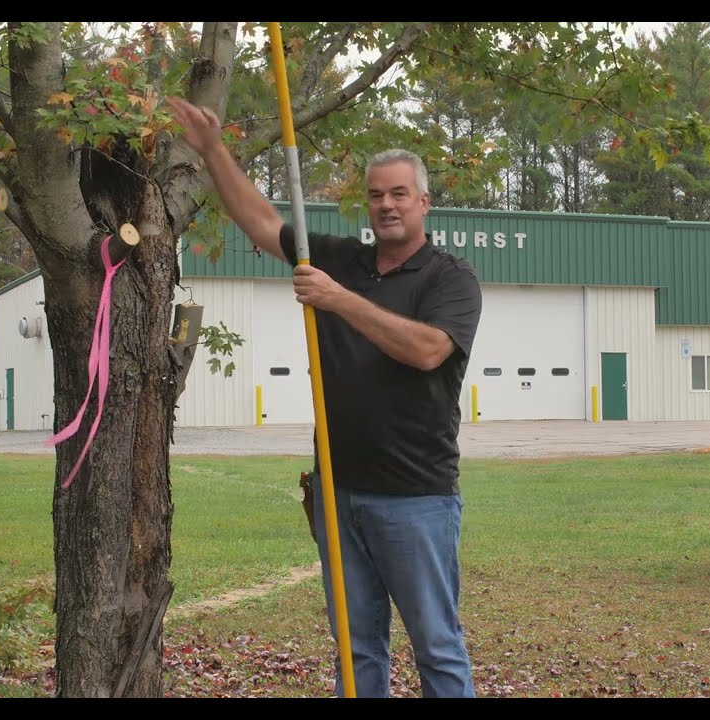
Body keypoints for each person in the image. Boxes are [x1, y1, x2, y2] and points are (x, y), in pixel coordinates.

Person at [167, 96, 482, 698]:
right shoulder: (338, 257)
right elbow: (260, 221)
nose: (385, 205)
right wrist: (212, 152)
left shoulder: (450, 279)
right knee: (357, 648)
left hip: (416, 500)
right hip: (338, 495)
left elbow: (426, 350)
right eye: (375, 194)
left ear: (422, 202)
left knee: (436, 647)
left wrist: (337, 300)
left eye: (397, 194)